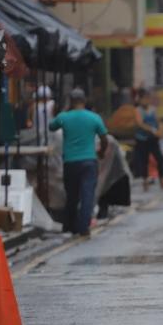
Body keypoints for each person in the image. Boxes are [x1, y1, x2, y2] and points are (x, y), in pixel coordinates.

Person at [49, 88, 108, 238]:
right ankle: (83, 227)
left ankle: (69, 226)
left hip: (70, 162)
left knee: (72, 196)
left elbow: (52, 126)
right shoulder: (94, 117)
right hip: (89, 161)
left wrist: (63, 112)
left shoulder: (64, 117)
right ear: (84, 100)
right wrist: (101, 152)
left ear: (71, 101)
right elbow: (104, 138)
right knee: (87, 195)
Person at [134, 89, 163, 191]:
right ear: (140, 100)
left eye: (147, 98)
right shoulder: (137, 110)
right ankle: (145, 182)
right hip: (142, 139)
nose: (146, 100)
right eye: (144, 98)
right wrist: (153, 130)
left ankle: (162, 181)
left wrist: (161, 131)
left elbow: (158, 121)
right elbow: (140, 124)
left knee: (160, 159)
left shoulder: (153, 109)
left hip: (153, 139)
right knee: (144, 161)